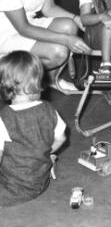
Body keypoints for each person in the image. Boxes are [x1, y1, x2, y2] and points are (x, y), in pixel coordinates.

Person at [0, 50, 66, 206]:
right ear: (38, 82)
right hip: (40, 181)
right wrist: (45, 152)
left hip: (16, 188)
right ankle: (49, 163)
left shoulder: (4, 118)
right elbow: (61, 138)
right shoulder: (49, 110)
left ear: (4, 85)